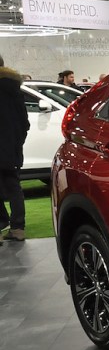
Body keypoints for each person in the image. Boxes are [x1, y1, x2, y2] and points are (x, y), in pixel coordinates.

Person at [0, 54, 30, 242]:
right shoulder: (15, 89)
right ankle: (18, 228)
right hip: (12, 148)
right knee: (14, 187)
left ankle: (1, 223)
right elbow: (24, 123)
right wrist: (16, 142)